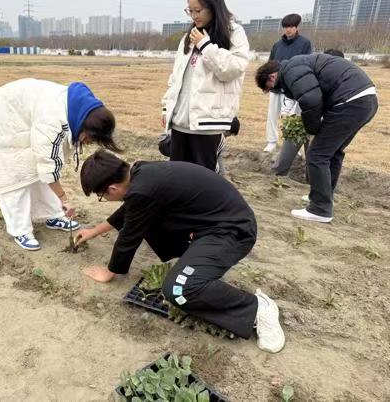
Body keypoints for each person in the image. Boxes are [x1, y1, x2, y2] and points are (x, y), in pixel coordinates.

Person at [75, 150, 285, 353]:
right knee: (147, 222)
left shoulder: (142, 191)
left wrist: (110, 271)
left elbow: (129, 236)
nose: (104, 199)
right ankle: (200, 267)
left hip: (232, 232)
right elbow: (129, 212)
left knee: (178, 289)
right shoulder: (141, 175)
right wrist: (93, 231)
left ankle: (258, 308)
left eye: (101, 196)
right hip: (212, 225)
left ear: (112, 189)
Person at [0, 78, 121, 251]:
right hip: (2, 113)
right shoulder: (53, 122)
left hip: (24, 113)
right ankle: (20, 229)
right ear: (86, 129)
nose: (89, 143)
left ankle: (52, 214)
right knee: (15, 173)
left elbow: (48, 165)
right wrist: (64, 199)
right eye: (91, 139)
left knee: (38, 168)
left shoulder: (85, 110)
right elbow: (48, 165)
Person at [255, 53, 377, 222]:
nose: (277, 90)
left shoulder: (291, 70)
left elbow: (310, 99)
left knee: (317, 154)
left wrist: (312, 128)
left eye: (271, 87)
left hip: (350, 100)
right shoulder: (298, 64)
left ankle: (320, 209)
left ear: (272, 76)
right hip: (365, 99)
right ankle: (324, 196)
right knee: (332, 152)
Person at [161, 0, 249, 172]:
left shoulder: (234, 33)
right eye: (190, 11)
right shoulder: (189, 36)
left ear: (213, 6)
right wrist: (167, 108)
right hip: (180, 123)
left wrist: (206, 46)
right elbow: (176, 78)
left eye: (198, 10)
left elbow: (234, 68)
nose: (193, 16)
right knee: (177, 177)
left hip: (208, 124)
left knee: (204, 178)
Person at [272, 49, 344, 177]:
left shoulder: (340, 81)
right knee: (286, 154)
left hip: (322, 125)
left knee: (314, 157)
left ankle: (311, 182)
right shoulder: (309, 71)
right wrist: (285, 111)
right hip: (300, 120)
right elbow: (292, 92)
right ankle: (277, 176)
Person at [264, 14, 313, 153]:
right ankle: (271, 142)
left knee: (293, 117)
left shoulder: (305, 43)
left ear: (297, 27)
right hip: (276, 87)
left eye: (291, 26)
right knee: (272, 116)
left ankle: (293, 147)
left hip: (293, 88)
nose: (288, 29)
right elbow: (270, 64)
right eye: (285, 27)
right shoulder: (277, 45)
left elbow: (307, 64)